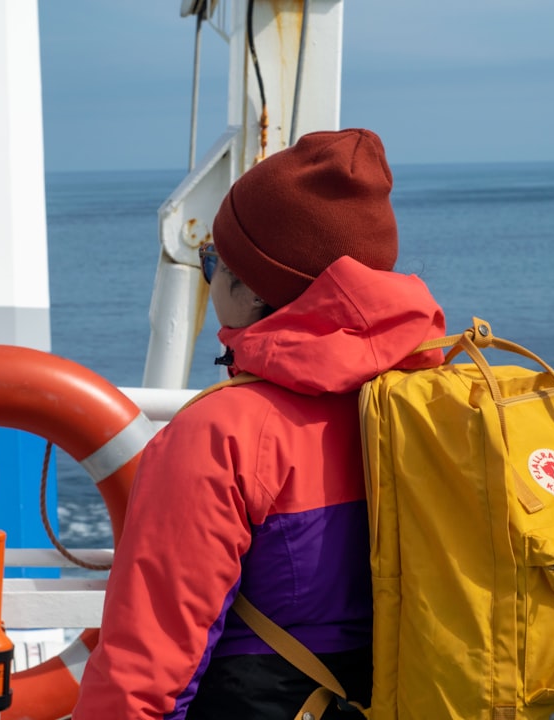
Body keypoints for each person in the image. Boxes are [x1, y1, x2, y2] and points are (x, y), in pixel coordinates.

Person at [72, 128, 446, 719]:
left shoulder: (221, 434)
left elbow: (148, 668)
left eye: (212, 261)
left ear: (253, 292)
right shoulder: (435, 400)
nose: (208, 274)